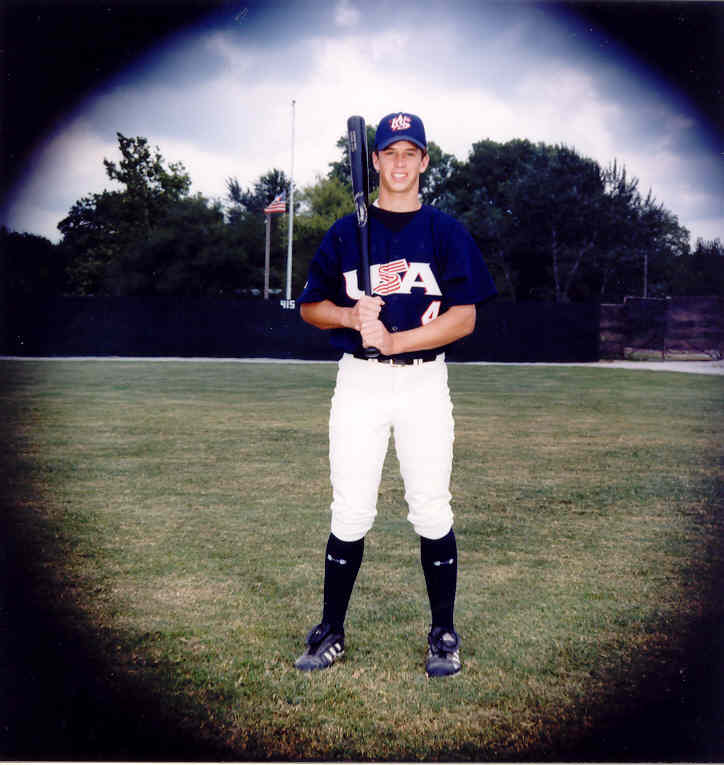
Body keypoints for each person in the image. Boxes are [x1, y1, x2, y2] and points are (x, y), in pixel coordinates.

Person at [294, 112, 496, 677]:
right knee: (351, 509)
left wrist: (398, 338)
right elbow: (312, 306)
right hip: (359, 382)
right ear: (375, 161)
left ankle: (443, 634)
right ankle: (331, 629)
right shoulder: (343, 232)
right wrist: (348, 313)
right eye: (390, 153)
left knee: (431, 506)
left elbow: (465, 318)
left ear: (425, 161)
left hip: (424, 382)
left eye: (412, 152)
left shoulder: (446, 233)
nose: (400, 162)